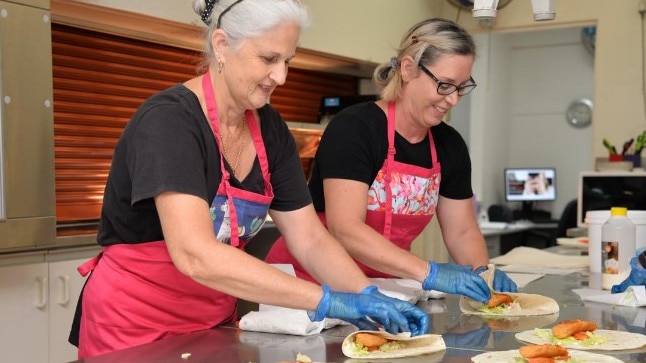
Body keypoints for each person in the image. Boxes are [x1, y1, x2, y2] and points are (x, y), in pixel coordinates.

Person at [68, 0, 428, 358]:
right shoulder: (169, 122)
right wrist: (328, 300)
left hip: (211, 325)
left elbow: (310, 239)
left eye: (287, 61)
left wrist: (365, 294)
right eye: (269, 59)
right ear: (222, 46)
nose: (282, 76)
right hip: (134, 327)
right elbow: (196, 255)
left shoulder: (270, 128)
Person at [266, 18, 517, 302]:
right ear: (408, 68)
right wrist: (429, 272)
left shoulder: (450, 145)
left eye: (461, 87)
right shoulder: (355, 128)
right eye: (445, 85)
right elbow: (345, 229)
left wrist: (483, 273)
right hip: (309, 282)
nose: (453, 100)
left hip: (383, 286)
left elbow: (462, 231)